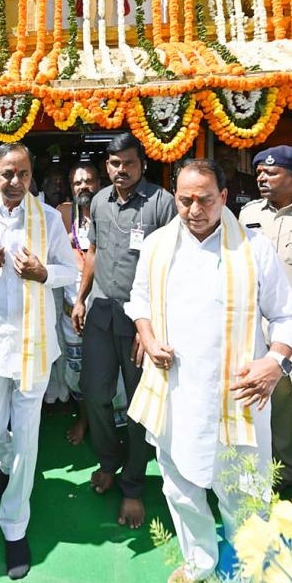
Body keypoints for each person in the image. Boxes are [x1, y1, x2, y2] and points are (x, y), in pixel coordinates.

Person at [126, 158, 292, 583]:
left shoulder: (254, 248)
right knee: (179, 488)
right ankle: (198, 563)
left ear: (224, 197)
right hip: (176, 395)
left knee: (244, 494)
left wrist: (274, 362)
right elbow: (140, 302)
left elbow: (287, 318)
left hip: (241, 397)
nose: (193, 209)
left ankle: (255, 573)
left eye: (205, 199)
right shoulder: (156, 246)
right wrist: (148, 337)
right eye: (185, 199)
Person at [0, 143, 77, 579]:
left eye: (22, 174)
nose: (14, 182)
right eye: (7, 173)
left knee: (27, 438)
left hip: (34, 348)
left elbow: (71, 270)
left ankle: (14, 528)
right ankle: (5, 464)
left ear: (30, 176)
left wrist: (46, 274)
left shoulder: (48, 220)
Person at [72, 132, 176, 529]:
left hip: (140, 323)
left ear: (142, 164)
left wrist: (151, 326)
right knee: (95, 392)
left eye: (128, 163)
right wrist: (81, 298)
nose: (121, 171)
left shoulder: (161, 204)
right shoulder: (98, 201)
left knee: (139, 405)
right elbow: (93, 254)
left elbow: (170, 268)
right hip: (100, 313)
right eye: (114, 164)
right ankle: (108, 462)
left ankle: (133, 486)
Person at [240, 145, 292, 486]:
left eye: (271, 172)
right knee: (274, 417)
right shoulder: (248, 215)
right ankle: (283, 483)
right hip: (261, 338)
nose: (261, 177)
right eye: (259, 172)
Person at [57, 161, 101, 444]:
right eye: (77, 182)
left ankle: (107, 426)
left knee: (106, 374)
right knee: (77, 374)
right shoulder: (62, 215)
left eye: (88, 181)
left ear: (99, 183)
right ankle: (84, 419)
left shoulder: (109, 210)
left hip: (104, 312)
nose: (83, 186)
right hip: (71, 314)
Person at [214, 142, 258, 218]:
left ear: (237, 158)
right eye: (221, 155)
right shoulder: (211, 182)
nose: (225, 158)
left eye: (230, 155)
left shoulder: (251, 182)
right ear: (215, 159)